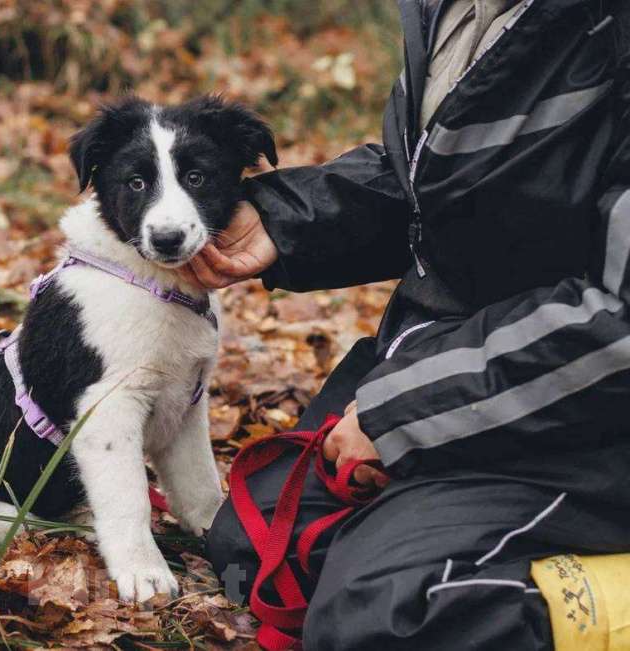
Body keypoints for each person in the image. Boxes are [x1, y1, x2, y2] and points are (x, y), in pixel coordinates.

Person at [190, 1, 630, 649]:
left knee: (390, 617)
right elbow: (444, 186)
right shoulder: (455, 8)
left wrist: (402, 413)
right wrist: (281, 221)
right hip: (472, 370)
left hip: (588, 421)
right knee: (259, 543)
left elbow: (617, 330)